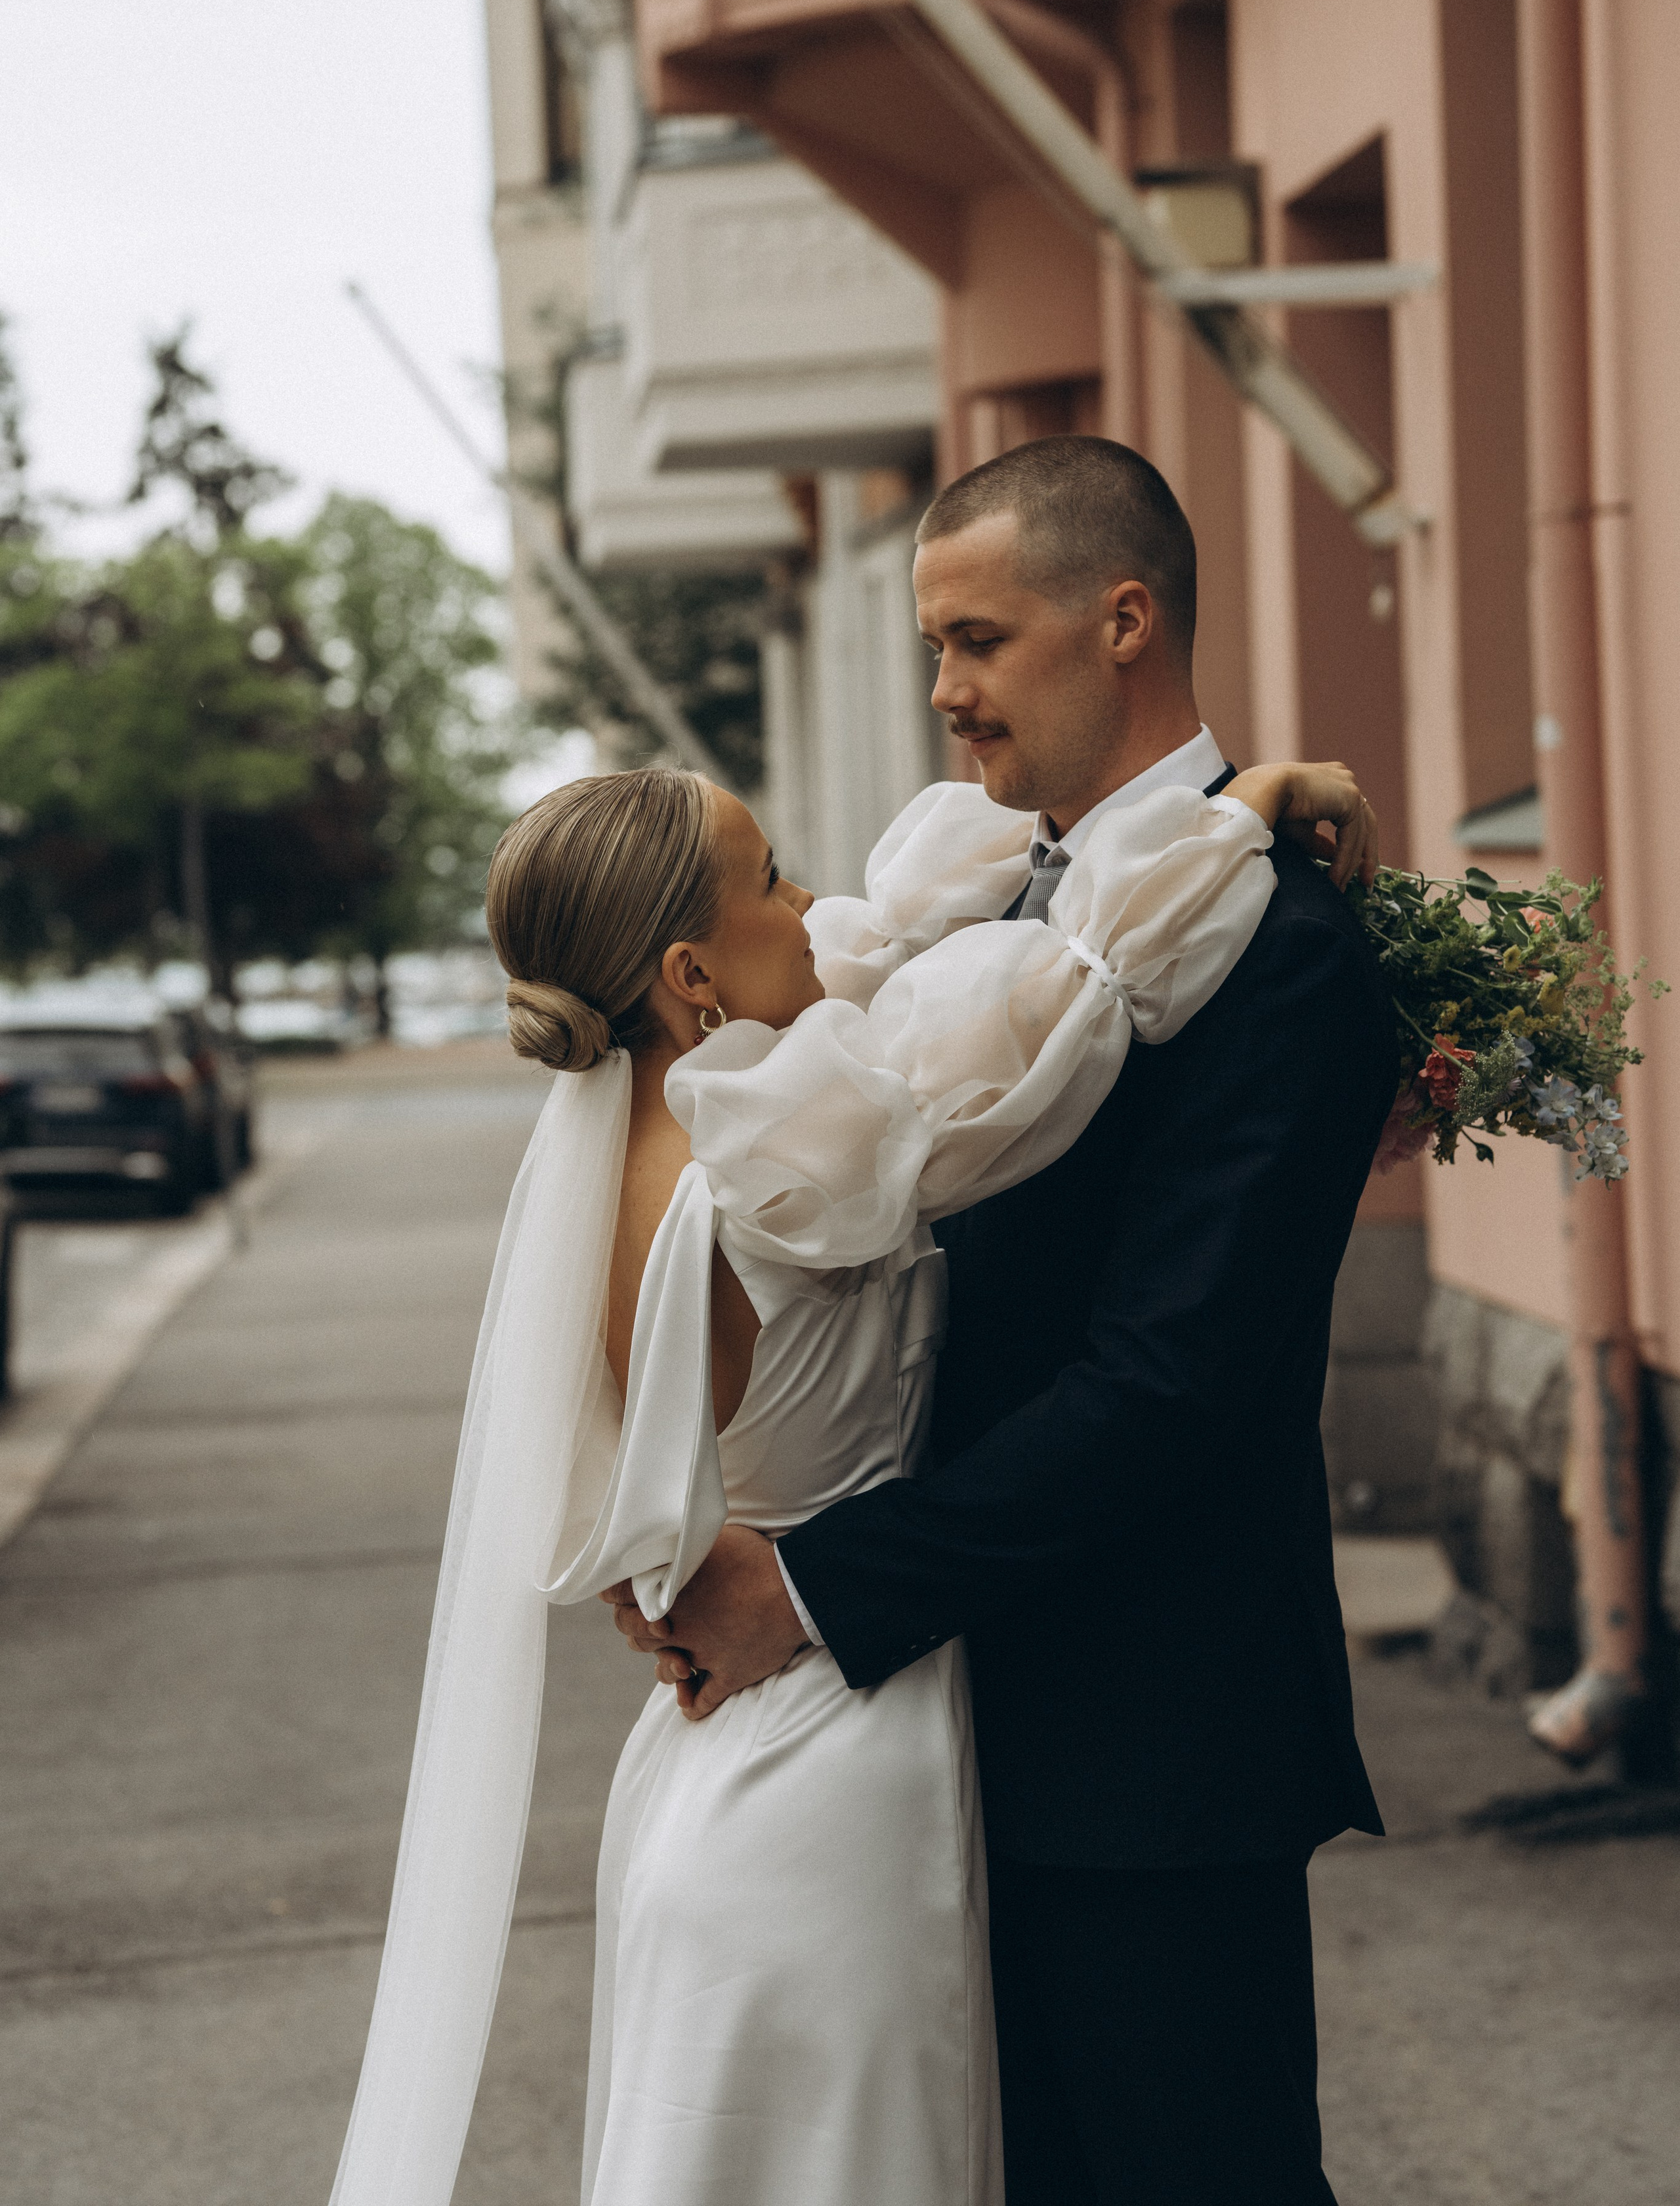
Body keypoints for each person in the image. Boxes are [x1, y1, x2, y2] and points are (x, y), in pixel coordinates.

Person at [324, 572, 1377, 2199]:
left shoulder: (634, 1160)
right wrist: (1229, 818)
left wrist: (682, 1573)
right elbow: (1066, 1005)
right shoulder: (787, 1156)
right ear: (690, 976)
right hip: (836, 1758)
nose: (819, 905)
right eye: (771, 880)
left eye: (972, 639)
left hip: (720, 1763)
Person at [608, 437, 1399, 2206]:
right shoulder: (992, 895)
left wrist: (811, 1589)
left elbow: (1170, 1383)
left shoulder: (1281, 951)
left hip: (1143, 1752)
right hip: (937, 1738)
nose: (947, 693)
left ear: (1122, 622)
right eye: (934, 648)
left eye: (978, 641)